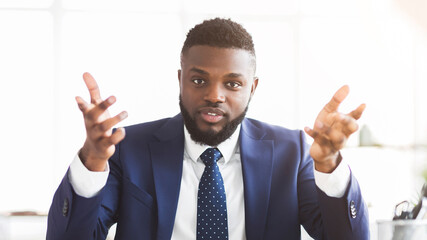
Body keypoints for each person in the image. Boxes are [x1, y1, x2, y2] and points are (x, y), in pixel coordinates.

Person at [47, 18, 369, 240]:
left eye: (232, 83)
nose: (215, 95)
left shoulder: (292, 152)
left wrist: (328, 165)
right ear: (180, 79)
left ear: (252, 88)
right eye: (199, 80)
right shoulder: (128, 149)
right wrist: (92, 160)